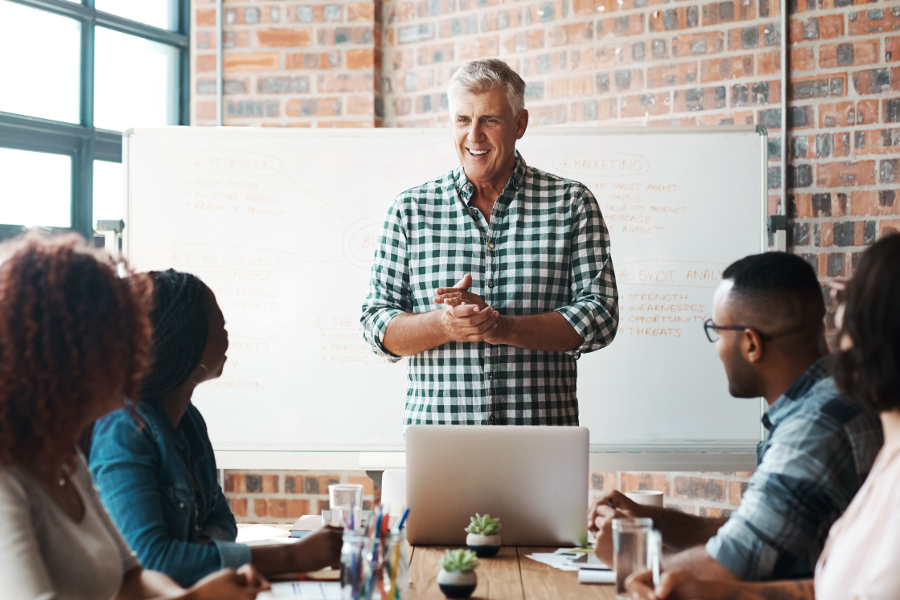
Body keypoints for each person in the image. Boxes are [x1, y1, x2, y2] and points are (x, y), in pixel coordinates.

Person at [628, 233, 900, 599]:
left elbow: (737, 559)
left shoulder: (816, 425)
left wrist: (629, 556)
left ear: (752, 343)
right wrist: (654, 523)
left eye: (717, 332)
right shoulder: (878, 442)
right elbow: (824, 580)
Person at [0, 233, 266, 600]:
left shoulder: (67, 463)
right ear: (63, 360)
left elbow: (131, 577)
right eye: (116, 342)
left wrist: (193, 596)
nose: (136, 355)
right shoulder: (7, 484)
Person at [360, 58, 618, 426]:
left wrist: (503, 328)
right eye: (463, 120)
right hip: (442, 447)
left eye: (490, 120)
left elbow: (601, 316)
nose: (474, 136)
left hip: (541, 443)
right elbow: (375, 325)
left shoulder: (571, 203)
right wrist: (444, 325)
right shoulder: (410, 210)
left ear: (520, 124)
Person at [89, 269, 342, 587]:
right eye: (217, 324)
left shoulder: (188, 421)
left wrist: (194, 553)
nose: (226, 333)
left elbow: (222, 520)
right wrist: (293, 557)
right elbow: (154, 562)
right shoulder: (124, 431)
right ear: (186, 343)